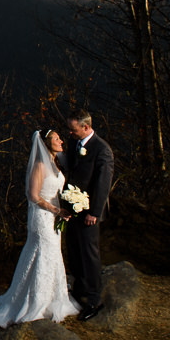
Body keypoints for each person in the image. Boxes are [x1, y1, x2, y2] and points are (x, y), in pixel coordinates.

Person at [0, 129, 81, 327]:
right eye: (56, 139)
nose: (61, 140)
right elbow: (33, 195)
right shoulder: (39, 166)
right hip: (42, 217)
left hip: (55, 216)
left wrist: (69, 203)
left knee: (50, 254)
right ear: (46, 143)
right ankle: (36, 301)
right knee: (45, 252)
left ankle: (52, 297)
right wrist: (55, 208)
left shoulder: (55, 163)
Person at [60, 109, 114, 321]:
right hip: (72, 208)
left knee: (89, 254)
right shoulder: (74, 144)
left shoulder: (102, 150)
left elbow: (102, 184)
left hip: (89, 211)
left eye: (73, 130)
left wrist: (94, 212)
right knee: (74, 250)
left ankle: (94, 299)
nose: (70, 134)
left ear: (86, 127)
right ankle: (79, 289)